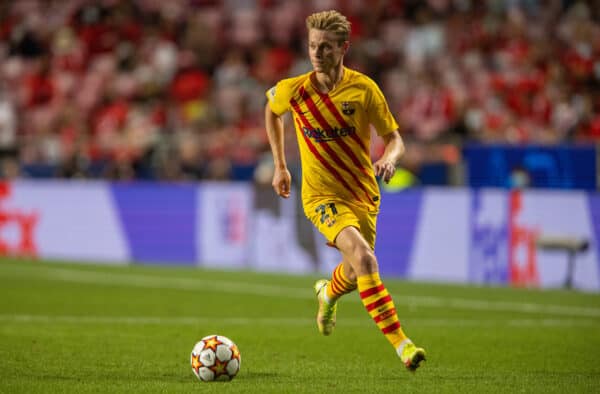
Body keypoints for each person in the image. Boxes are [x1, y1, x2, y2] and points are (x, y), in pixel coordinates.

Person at [264, 10, 426, 371]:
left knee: (354, 272)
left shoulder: (364, 89)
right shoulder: (295, 89)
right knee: (366, 258)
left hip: (363, 193)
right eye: (311, 46)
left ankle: (328, 292)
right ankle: (403, 345)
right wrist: (280, 166)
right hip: (320, 197)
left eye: (325, 47)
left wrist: (389, 157)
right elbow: (272, 111)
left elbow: (395, 139)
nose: (317, 54)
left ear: (343, 49)